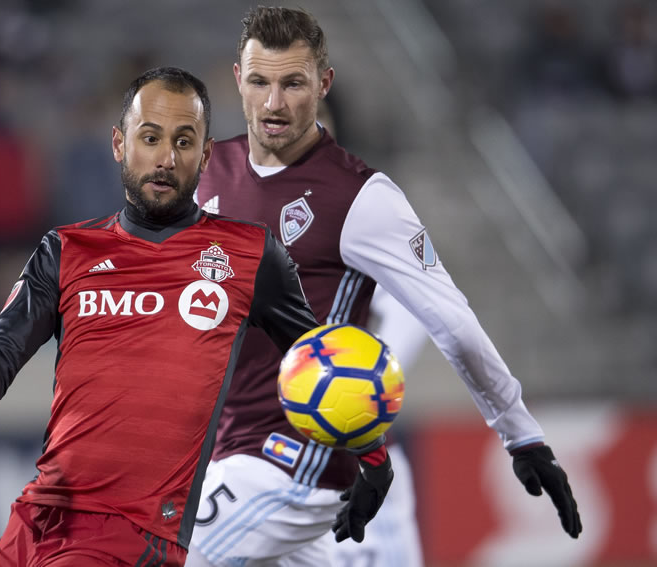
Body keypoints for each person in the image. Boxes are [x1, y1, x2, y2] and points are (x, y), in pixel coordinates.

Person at [0, 66, 393, 567]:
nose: (165, 158)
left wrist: (374, 466)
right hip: (36, 519)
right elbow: (3, 350)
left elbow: (321, 366)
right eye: (150, 137)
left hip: (133, 535)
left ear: (204, 156)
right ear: (119, 144)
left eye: (184, 142)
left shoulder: (249, 255)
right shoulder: (67, 249)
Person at [187, 7, 582, 567]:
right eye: (260, 82)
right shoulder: (207, 172)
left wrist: (520, 433)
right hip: (229, 453)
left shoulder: (362, 198)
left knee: (160, 552)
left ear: (323, 83)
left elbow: (452, 322)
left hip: (297, 464)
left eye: (293, 83)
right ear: (236, 80)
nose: (274, 103)